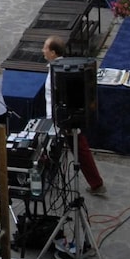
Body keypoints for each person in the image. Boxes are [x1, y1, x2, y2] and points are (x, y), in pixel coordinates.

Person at [41, 36, 106, 195]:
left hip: (61, 119)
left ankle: (96, 184)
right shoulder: (56, 68)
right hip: (57, 118)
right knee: (65, 149)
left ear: (53, 53)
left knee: (75, 149)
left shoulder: (61, 71)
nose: (43, 50)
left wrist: (66, 122)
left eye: (45, 48)